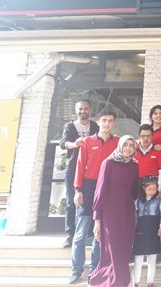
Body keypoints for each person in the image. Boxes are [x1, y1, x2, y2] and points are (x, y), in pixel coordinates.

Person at [69, 109, 119, 285]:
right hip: (88, 187)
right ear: (98, 122)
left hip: (108, 189)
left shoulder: (117, 142)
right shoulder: (87, 142)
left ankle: (95, 270)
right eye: (104, 120)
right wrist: (78, 190)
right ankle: (76, 269)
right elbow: (80, 166)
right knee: (80, 233)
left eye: (110, 121)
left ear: (114, 123)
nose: (107, 124)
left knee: (100, 234)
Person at [89, 135, 139, 287]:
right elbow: (100, 191)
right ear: (120, 146)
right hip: (110, 211)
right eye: (125, 145)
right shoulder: (108, 163)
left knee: (124, 246)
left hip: (128, 212)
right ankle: (112, 280)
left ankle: (121, 280)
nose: (128, 148)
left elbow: (135, 192)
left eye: (131, 145)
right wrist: (97, 219)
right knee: (113, 247)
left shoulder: (134, 166)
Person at [59, 99, 99, 249]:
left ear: (90, 110)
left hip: (91, 169)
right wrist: (74, 144)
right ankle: (70, 234)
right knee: (71, 202)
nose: (83, 111)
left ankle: (90, 233)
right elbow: (63, 143)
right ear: (76, 110)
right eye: (80, 109)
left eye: (86, 109)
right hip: (74, 167)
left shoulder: (95, 126)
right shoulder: (70, 126)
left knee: (91, 201)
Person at [132, 175, 161, 287]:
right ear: (144, 188)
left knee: (152, 260)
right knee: (138, 260)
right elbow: (133, 217)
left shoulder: (159, 200)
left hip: (154, 232)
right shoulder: (137, 201)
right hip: (140, 232)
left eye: (154, 189)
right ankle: (136, 283)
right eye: (149, 189)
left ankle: (150, 283)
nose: (152, 191)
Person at [134, 124, 161, 194]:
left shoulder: (159, 152)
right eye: (143, 136)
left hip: (152, 189)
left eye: (148, 136)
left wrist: (159, 189)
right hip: (135, 187)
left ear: (152, 136)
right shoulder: (133, 151)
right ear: (139, 137)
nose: (145, 138)